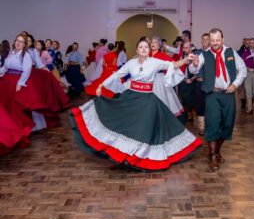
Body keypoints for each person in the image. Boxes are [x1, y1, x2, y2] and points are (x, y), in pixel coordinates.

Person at [70, 38, 202, 171]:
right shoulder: (131, 63)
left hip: (148, 101)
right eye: (141, 47)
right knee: (129, 126)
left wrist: (186, 60)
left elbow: (172, 65)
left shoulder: (155, 62)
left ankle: (140, 156)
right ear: (137, 50)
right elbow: (116, 75)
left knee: (144, 129)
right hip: (131, 98)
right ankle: (128, 154)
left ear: (149, 50)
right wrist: (101, 85)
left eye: (146, 47)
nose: (144, 49)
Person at [190, 28, 247, 170]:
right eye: (212, 40)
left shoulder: (231, 52)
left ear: (222, 39)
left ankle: (216, 151)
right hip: (212, 94)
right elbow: (192, 70)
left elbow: (243, 69)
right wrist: (195, 64)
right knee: (213, 124)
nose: (215, 43)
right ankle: (213, 156)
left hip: (228, 94)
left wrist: (235, 84)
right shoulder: (204, 54)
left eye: (217, 40)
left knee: (227, 125)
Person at [193, 33, 210, 135]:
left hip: (209, 83)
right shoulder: (197, 52)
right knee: (200, 104)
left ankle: (210, 125)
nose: (204, 41)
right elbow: (192, 69)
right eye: (203, 39)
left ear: (210, 41)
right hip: (199, 82)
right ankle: (201, 126)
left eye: (207, 39)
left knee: (209, 104)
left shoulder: (212, 53)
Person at [178, 42, 197, 121]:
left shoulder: (194, 57)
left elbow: (198, 72)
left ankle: (192, 113)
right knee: (183, 99)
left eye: (186, 48)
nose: (185, 49)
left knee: (190, 99)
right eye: (184, 48)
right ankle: (187, 115)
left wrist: (192, 79)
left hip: (191, 82)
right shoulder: (182, 57)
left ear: (190, 48)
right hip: (182, 81)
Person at [241, 38, 254, 114]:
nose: (251, 44)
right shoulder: (245, 53)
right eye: (250, 43)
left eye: (253, 43)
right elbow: (242, 63)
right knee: (248, 91)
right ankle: (249, 107)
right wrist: (247, 68)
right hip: (248, 74)